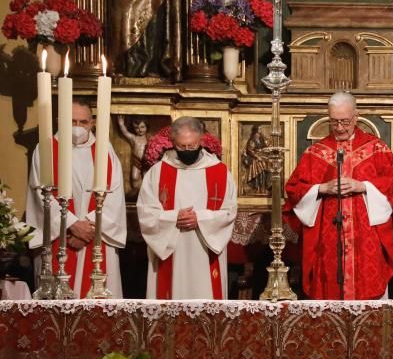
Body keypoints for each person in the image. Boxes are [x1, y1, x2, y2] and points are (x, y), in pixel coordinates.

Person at [284, 92, 393, 300]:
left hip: (366, 237)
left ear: (356, 117)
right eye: (334, 122)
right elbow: (294, 189)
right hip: (328, 239)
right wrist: (322, 188)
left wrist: (363, 186)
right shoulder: (316, 152)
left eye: (345, 122)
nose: (339, 127)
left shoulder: (376, 149)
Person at [26, 101, 127, 298]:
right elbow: (40, 193)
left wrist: (87, 229)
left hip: (97, 238)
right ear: (60, 121)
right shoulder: (46, 148)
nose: (77, 128)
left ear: (92, 123)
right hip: (59, 239)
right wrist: (72, 224)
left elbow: (114, 195)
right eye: (72, 122)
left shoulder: (105, 150)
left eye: (83, 122)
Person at [137, 117, 237, 299]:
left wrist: (200, 218)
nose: (187, 150)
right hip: (170, 247)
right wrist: (174, 217)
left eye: (192, 146)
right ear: (173, 142)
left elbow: (229, 212)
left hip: (204, 247)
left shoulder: (220, 172)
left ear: (201, 141)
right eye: (182, 146)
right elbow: (145, 211)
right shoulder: (157, 172)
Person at [116, 115, 149, 194]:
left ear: (147, 127)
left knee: (146, 177)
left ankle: (145, 192)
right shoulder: (134, 138)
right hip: (136, 161)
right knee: (134, 177)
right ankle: (137, 191)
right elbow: (125, 133)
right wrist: (121, 124)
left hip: (147, 162)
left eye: (142, 127)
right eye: (137, 128)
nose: (140, 130)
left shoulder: (149, 138)